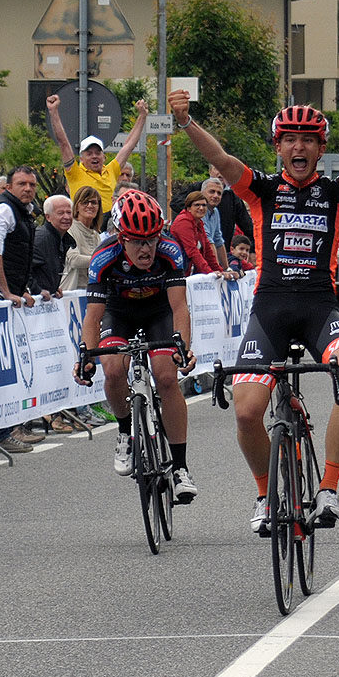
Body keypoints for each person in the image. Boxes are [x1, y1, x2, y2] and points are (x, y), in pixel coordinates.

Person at [171, 88, 339, 532]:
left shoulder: (336, 193)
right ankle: (264, 494)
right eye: (290, 139)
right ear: (278, 147)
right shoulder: (261, 190)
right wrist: (185, 122)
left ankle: (328, 487)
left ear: (321, 148)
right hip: (270, 310)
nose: (299, 147)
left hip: (320, 308)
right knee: (245, 410)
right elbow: (220, 159)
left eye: (309, 140)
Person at [74, 190, 199, 502]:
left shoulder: (170, 251)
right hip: (119, 313)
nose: (146, 248)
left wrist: (182, 347)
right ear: (120, 237)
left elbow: (180, 308)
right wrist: (86, 355)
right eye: (137, 241)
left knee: (167, 377)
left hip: (159, 312)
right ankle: (124, 431)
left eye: (152, 239)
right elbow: (93, 316)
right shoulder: (104, 257)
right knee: (113, 369)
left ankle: (181, 467)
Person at [0, 165, 44, 453]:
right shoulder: (4, 210)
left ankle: (9, 427)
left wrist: (23, 290)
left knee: (11, 365)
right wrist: (7, 292)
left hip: (12, 294)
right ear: (9, 186)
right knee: (0, 368)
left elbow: (23, 256)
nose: (28, 188)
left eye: (32, 184)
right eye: (22, 183)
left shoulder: (25, 211)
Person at [48, 93, 148, 211]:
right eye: (89, 153)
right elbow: (63, 143)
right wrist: (53, 111)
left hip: (107, 224)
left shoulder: (111, 170)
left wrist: (142, 116)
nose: (94, 156)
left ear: (104, 157)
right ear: (81, 159)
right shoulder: (75, 173)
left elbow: (129, 145)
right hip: (84, 224)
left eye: (98, 152)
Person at [170, 191, 225, 276]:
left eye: (204, 205)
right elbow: (192, 251)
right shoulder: (183, 222)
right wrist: (209, 272)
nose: (201, 208)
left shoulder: (198, 222)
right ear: (188, 208)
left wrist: (220, 271)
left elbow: (207, 251)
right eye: (197, 205)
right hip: (176, 271)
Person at [60, 185, 103, 293]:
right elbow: (74, 260)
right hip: (71, 294)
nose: (90, 206)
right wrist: (102, 260)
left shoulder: (96, 235)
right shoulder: (70, 229)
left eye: (94, 202)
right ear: (77, 207)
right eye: (85, 202)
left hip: (90, 293)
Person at [30, 194, 75, 298]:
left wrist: (53, 288)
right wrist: (37, 289)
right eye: (60, 213)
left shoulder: (62, 239)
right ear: (48, 217)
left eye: (69, 212)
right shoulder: (40, 239)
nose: (66, 217)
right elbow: (22, 270)